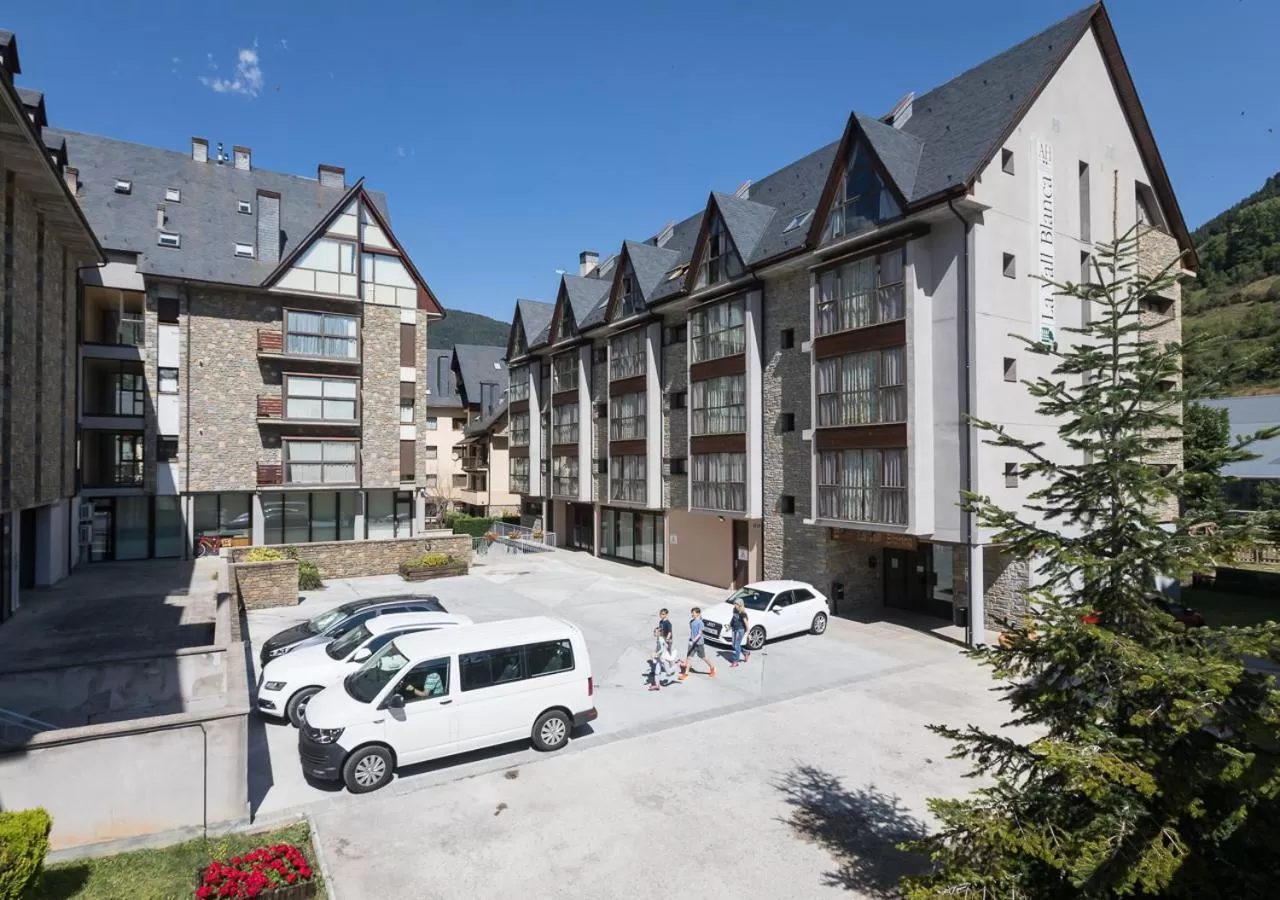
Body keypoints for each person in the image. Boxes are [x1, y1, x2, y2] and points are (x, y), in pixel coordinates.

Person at [679, 607, 717, 680]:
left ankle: (712, 667)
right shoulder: (691, 622)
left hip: (699, 643)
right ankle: (686, 674)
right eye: (692, 613)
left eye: (693, 613)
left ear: (698, 613)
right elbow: (692, 632)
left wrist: (693, 640)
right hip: (692, 642)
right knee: (689, 657)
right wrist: (691, 640)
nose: (692, 614)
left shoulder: (700, 623)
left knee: (703, 657)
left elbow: (700, 634)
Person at [729, 600, 751, 667]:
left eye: (736, 604)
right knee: (734, 645)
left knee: (736, 645)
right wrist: (730, 625)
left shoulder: (743, 613)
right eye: (735, 603)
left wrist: (748, 633)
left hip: (740, 630)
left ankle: (736, 661)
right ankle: (746, 652)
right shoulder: (734, 610)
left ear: (740, 605)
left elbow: (746, 623)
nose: (735, 605)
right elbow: (733, 618)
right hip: (734, 629)